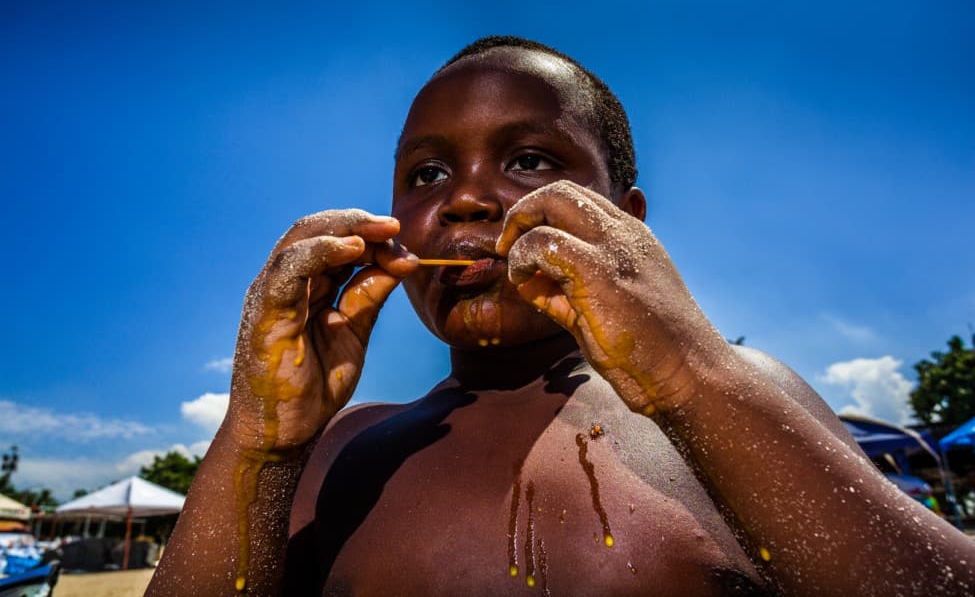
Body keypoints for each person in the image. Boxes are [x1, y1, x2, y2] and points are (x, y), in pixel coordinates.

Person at [147, 36, 975, 596]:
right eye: (427, 174)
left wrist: (692, 374)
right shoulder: (340, 450)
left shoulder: (734, 398)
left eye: (529, 160)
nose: (466, 197)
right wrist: (258, 438)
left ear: (629, 221)